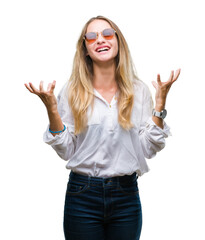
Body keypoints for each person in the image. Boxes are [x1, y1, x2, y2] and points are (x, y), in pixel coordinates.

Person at [25, 15, 181, 240]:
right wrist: (52, 110)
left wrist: (159, 106)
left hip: (126, 195)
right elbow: (67, 151)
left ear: (118, 42)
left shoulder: (139, 91)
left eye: (107, 34)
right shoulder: (71, 91)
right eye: (91, 36)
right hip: (82, 196)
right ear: (85, 50)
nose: (100, 39)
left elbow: (148, 149)